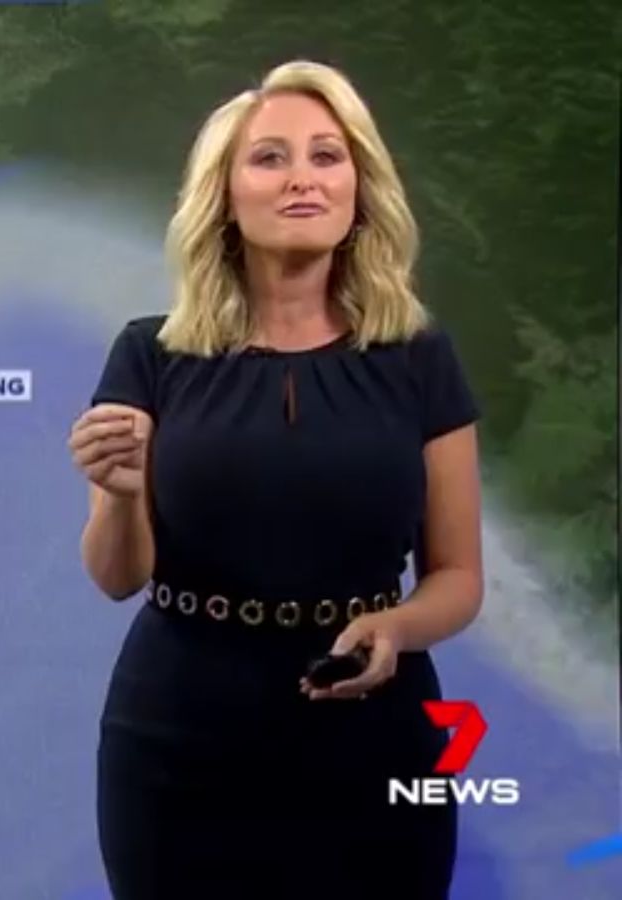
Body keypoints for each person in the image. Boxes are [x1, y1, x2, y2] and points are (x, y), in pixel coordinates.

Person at [69, 60, 484, 899]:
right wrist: (118, 493)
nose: (303, 178)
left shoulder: (419, 358)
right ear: (223, 195)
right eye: (270, 158)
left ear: (360, 189)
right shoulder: (151, 356)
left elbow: (459, 578)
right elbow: (117, 577)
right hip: (178, 741)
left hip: (376, 737)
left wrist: (396, 629)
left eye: (327, 156)